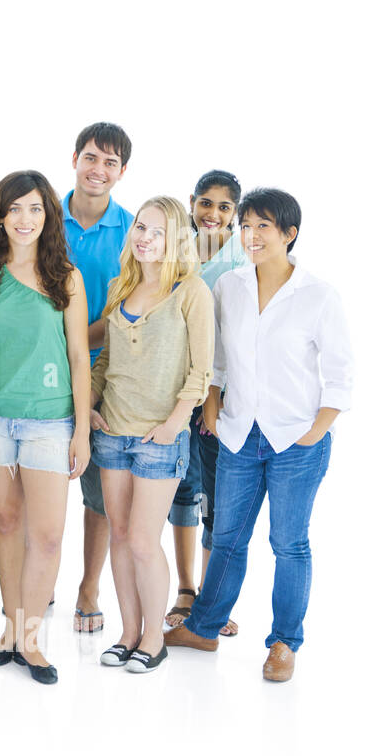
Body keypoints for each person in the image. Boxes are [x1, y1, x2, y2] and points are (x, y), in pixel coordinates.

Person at [167, 189, 353, 682]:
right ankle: (204, 627)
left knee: (289, 543)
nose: (250, 236)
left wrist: (315, 432)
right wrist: (211, 404)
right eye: (246, 226)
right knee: (227, 538)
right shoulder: (229, 285)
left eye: (263, 227)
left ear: (289, 234)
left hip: (296, 440)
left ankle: (283, 644)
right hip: (237, 435)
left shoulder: (318, 294)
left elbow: (340, 373)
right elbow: (219, 357)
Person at [0, 171, 91, 685]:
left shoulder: (67, 277)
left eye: (35, 209)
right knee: (8, 523)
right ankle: (12, 631)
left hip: (50, 421)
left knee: (49, 536)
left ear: (48, 215)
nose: (25, 219)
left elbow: (80, 357)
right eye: (15, 209)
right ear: (0, 215)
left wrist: (81, 431)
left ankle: (33, 639)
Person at [90, 197, 213, 674]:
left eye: (157, 231)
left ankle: (153, 639)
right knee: (119, 536)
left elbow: (202, 370)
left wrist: (175, 423)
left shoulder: (190, 291)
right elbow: (105, 360)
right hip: (112, 433)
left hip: (159, 438)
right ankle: (127, 633)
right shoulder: (121, 287)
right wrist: (93, 406)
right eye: (140, 227)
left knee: (144, 540)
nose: (144, 237)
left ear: (176, 238)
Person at [61, 122, 135, 634]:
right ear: (74, 158)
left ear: (122, 171)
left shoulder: (133, 229)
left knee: (98, 493)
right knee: (33, 481)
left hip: (103, 373)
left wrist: (75, 342)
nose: (98, 169)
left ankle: (88, 588)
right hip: (39, 369)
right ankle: (33, 584)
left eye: (110, 163)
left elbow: (131, 302)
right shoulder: (40, 215)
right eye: (91, 157)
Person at [166, 170, 246, 635]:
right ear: (192, 203)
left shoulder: (244, 259)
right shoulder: (177, 254)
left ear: (234, 213)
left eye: (224, 207)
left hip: (223, 394)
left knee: (219, 495)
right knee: (182, 486)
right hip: (179, 390)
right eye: (206, 203)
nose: (213, 214)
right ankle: (185, 589)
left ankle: (215, 599)